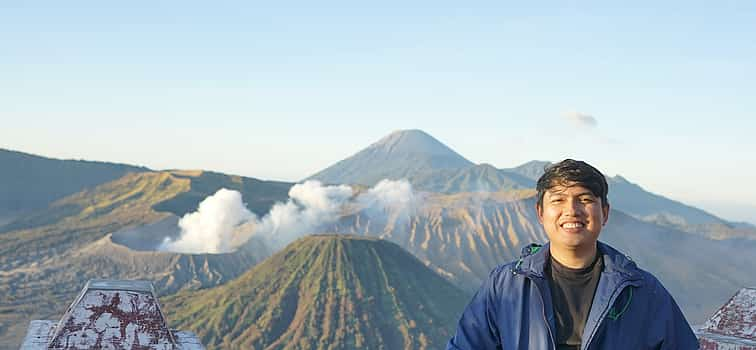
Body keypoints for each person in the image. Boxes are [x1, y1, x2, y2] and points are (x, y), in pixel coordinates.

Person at [446, 159, 699, 349]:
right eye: (558, 200)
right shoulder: (506, 286)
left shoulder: (641, 292)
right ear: (540, 213)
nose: (572, 210)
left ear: (605, 212)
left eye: (585, 199)